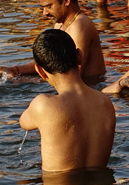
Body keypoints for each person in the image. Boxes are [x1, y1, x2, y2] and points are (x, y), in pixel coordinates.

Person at [19, 30, 116, 172]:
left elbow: (24, 123)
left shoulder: (43, 105)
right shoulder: (105, 102)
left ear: (40, 71)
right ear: (79, 56)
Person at [0, 0, 106, 83]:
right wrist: (15, 71)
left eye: (49, 6)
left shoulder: (80, 25)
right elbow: (52, 63)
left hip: (91, 90)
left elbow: (72, 77)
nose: (45, 13)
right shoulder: (60, 23)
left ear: (66, 0)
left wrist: (25, 81)